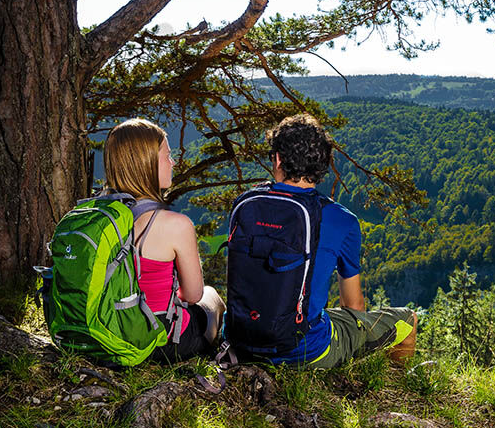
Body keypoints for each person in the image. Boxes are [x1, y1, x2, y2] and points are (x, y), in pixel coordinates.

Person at [230, 114, 417, 368]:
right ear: (322, 166)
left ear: (277, 159)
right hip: (305, 351)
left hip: (239, 342)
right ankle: (393, 385)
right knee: (408, 319)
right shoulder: (343, 220)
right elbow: (353, 306)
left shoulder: (245, 204)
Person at [103, 118, 224, 362]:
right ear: (146, 164)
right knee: (212, 296)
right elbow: (192, 295)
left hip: (105, 333)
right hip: (159, 343)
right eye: (167, 156)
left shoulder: (96, 217)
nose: (173, 162)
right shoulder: (175, 224)